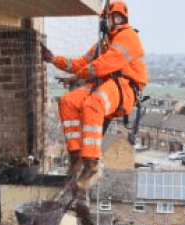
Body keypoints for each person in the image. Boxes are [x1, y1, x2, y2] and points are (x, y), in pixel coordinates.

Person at [42, 0, 148, 190]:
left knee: (94, 103)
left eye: (115, 17)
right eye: (109, 17)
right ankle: (75, 156)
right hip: (106, 84)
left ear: (120, 19)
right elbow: (80, 64)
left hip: (126, 88)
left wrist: (76, 78)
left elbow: (102, 65)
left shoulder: (128, 37)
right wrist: (53, 59)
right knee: (68, 101)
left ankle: (91, 163)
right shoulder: (103, 44)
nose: (111, 21)